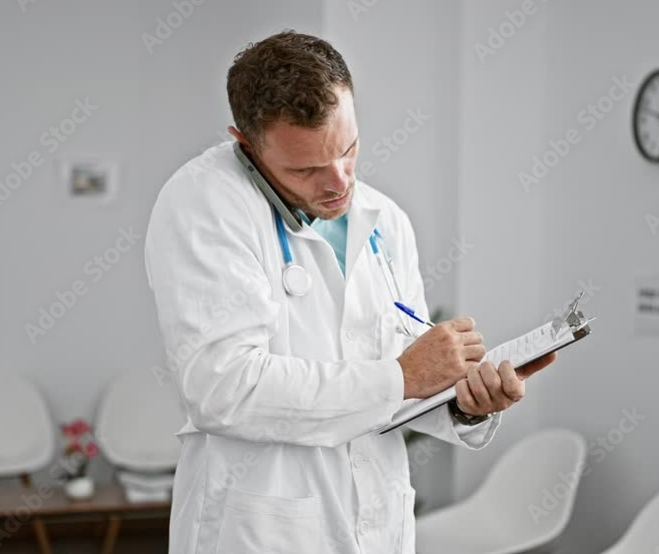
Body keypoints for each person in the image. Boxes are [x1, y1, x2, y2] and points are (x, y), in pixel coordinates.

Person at [145, 30, 556, 554]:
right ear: (245, 143)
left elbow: (401, 390)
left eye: (348, 149)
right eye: (306, 169)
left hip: (378, 522)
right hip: (262, 528)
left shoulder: (386, 221)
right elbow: (222, 388)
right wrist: (402, 376)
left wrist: (465, 403)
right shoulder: (204, 202)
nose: (339, 183)